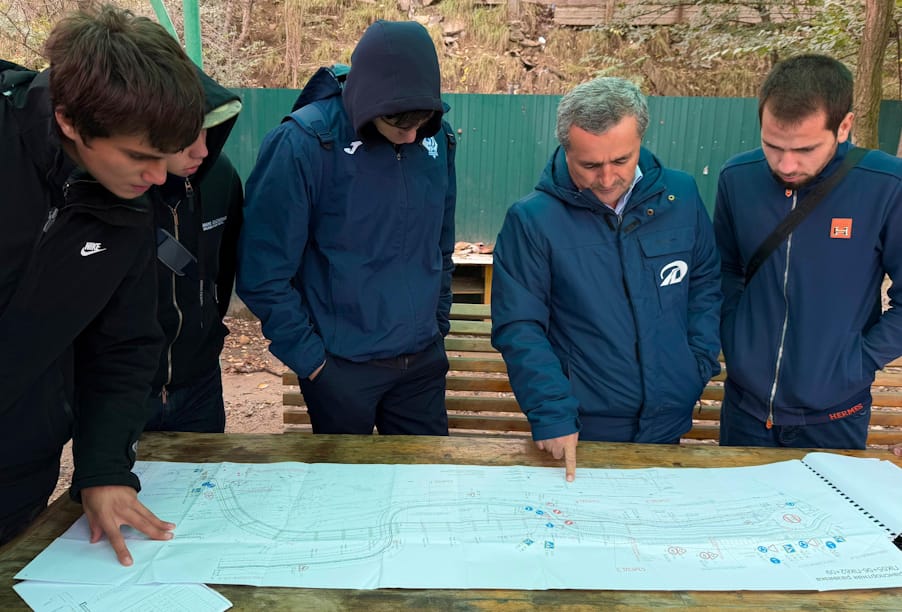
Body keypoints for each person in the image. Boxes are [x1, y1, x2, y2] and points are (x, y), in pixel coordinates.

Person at [0, 5, 204, 564]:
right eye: (140, 156)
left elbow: (124, 345)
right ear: (70, 121)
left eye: (165, 157)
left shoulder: (129, 205)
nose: (157, 177)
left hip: (17, 477)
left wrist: (105, 468)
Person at [491, 77, 722, 481]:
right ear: (566, 150)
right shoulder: (532, 220)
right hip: (583, 426)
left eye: (621, 160)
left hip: (669, 414)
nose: (607, 178)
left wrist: (695, 364)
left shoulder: (681, 196)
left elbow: (704, 283)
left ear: (641, 141)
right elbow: (520, 326)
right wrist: (552, 412)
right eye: (590, 165)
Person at [236, 20, 456, 435]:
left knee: (425, 474)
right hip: (341, 368)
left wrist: (437, 324)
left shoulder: (436, 139)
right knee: (343, 479)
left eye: (421, 123)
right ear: (370, 105)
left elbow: (441, 245)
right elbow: (262, 272)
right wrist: (313, 362)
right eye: (400, 127)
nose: (411, 137)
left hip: (422, 363)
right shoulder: (303, 143)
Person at [713, 54, 902, 449]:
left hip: (835, 416)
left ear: (844, 126)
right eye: (772, 145)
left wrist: (858, 362)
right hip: (745, 411)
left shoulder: (886, 185)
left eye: (805, 149)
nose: (786, 164)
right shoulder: (737, 178)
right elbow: (724, 269)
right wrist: (734, 333)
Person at [145, 70, 243, 433]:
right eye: (186, 135)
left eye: (206, 131)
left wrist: (207, 329)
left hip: (201, 381)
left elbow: (223, 268)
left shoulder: (221, 175)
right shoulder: (113, 185)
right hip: (126, 389)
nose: (201, 149)